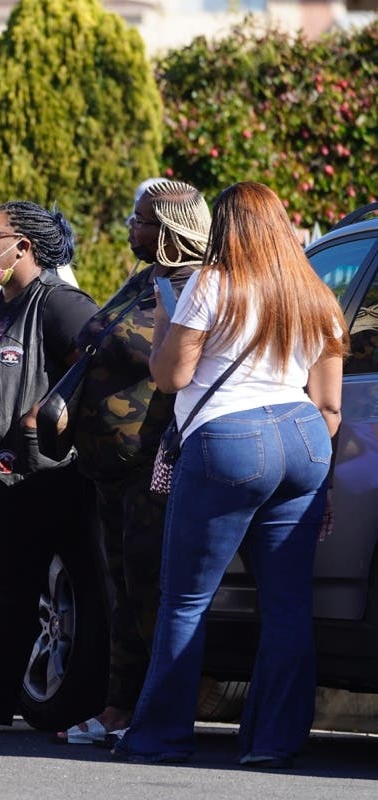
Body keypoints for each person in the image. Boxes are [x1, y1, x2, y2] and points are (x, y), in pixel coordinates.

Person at [116, 181, 346, 766]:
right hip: (303, 436)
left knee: (186, 599)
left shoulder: (209, 282)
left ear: (226, 227)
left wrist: (168, 318)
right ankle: (274, 741)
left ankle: (161, 737)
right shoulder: (317, 293)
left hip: (230, 439)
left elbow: (170, 377)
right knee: (288, 604)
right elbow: (331, 407)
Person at [57, 179, 211, 744]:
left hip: (156, 464)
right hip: (109, 465)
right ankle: (119, 706)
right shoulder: (146, 278)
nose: (131, 227)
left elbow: (171, 366)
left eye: (142, 219)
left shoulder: (196, 286)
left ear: (171, 230)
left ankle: (151, 710)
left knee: (149, 587)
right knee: (121, 586)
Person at [0, 201, 98, 730]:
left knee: (9, 588)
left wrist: (51, 413)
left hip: (29, 475)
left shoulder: (57, 304)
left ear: (25, 247)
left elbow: (98, 359)